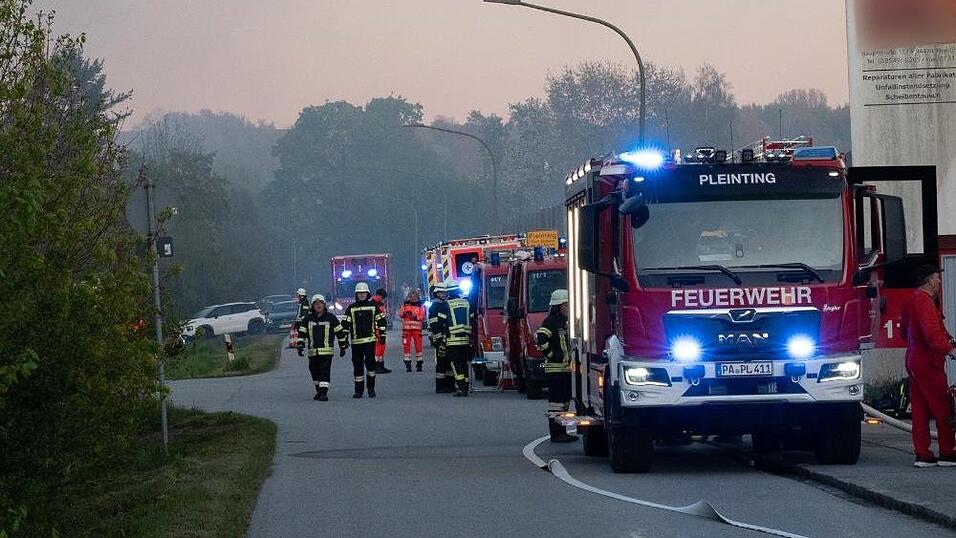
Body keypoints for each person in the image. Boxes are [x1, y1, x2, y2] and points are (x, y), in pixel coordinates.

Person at [901, 264, 956, 467]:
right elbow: (933, 335)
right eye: (937, 278)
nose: (939, 282)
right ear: (929, 280)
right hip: (928, 361)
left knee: (920, 408)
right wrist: (950, 350)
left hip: (914, 359)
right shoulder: (924, 303)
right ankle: (948, 452)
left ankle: (923, 453)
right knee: (943, 406)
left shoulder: (911, 301)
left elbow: (903, 332)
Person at [535, 289, 578, 443]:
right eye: (566, 305)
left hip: (566, 369)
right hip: (555, 369)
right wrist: (554, 355)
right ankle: (556, 433)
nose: (568, 308)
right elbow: (540, 340)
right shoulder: (550, 322)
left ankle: (562, 432)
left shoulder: (565, 322)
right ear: (558, 306)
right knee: (556, 403)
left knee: (564, 403)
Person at [296, 294, 348, 401]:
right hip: (313, 352)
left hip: (326, 353)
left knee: (324, 371)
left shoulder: (331, 318)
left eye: (320, 303)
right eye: (316, 304)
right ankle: (319, 390)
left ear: (324, 305)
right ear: (313, 306)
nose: (318, 305)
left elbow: (339, 332)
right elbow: (302, 334)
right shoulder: (307, 319)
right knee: (314, 372)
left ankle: (323, 393)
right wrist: (300, 345)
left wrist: (343, 346)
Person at [341, 282, 388, 398]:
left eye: (363, 293)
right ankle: (358, 391)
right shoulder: (351, 308)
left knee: (371, 366)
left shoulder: (373, 307)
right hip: (356, 343)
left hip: (370, 341)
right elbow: (345, 325)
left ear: (367, 294)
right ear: (356, 294)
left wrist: (382, 336)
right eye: (359, 293)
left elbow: (381, 321)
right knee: (357, 367)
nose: (362, 295)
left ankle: (371, 388)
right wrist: (343, 340)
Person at [445, 282, 474, 397]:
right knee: (464, 363)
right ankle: (466, 386)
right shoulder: (467, 303)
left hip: (452, 340)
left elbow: (444, 323)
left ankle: (461, 388)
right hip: (466, 339)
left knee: (456, 364)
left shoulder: (447, 304)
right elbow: (472, 319)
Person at [428, 283, 455, 393]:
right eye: (441, 292)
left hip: (447, 337)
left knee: (449, 361)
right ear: (436, 294)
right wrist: (439, 338)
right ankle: (440, 386)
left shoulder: (446, 304)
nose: (443, 294)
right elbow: (434, 324)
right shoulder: (435, 306)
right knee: (441, 362)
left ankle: (450, 385)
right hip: (440, 339)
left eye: (444, 292)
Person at [399, 290, 427, 372]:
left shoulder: (420, 306)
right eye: (411, 297)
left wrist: (415, 317)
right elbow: (400, 314)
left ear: (417, 297)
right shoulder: (405, 305)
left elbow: (422, 316)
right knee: (406, 347)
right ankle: (408, 364)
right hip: (406, 330)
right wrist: (404, 313)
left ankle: (419, 364)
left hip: (417, 330)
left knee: (418, 346)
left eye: (414, 297)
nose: (412, 298)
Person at [372, 288, 391, 374]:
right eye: (382, 297)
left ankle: (381, 365)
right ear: (379, 295)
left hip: (381, 328)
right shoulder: (373, 304)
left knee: (382, 347)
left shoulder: (380, 304)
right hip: (376, 329)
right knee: (378, 347)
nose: (382, 299)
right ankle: (376, 366)